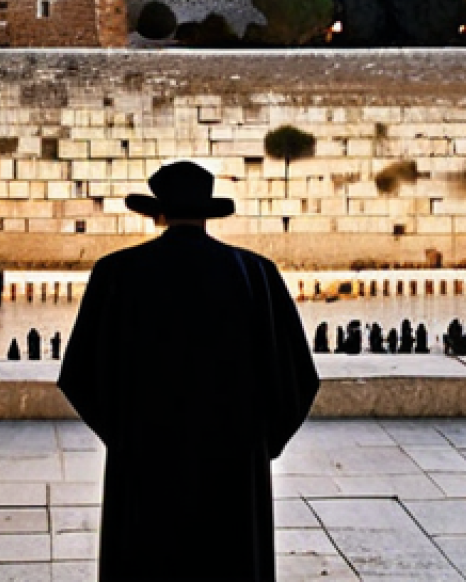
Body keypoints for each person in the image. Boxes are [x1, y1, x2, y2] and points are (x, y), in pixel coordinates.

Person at [59, 161, 319, 582]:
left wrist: (126, 435)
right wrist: (259, 444)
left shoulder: (117, 273)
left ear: (156, 212)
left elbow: (78, 375)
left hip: (146, 464)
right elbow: (299, 379)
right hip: (232, 467)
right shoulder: (256, 273)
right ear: (207, 212)